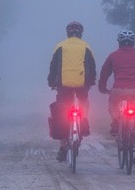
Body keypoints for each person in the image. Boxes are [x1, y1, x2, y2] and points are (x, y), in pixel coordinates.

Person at [98, 29, 135, 165]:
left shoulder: (113, 55)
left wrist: (102, 88)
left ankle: (116, 122)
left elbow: (104, 73)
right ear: (132, 42)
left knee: (113, 105)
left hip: (119, 90)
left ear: (119, 42)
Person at [48, 21, 96, 162]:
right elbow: (92, 67)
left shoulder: (60, 46)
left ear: (67, 33)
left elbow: (53, 67)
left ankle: (63, 147)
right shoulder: (86, 46)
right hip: (82, 85)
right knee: (84, 101)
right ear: (81, 34)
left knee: (62, 114)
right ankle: (84, 120)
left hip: (64, 86)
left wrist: (51, 82)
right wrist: (91, 81)